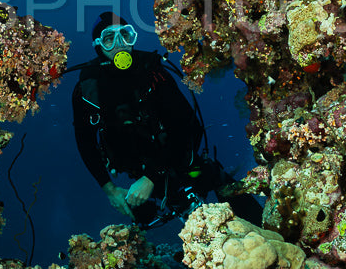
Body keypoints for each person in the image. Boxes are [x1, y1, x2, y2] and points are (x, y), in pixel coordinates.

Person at [72, 13, 263, 227]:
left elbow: (188, 126)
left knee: (214, 178)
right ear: (98, 45)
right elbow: (85, 142)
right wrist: (110, 189)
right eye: (109, 38)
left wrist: (151, 177)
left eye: (125, 36)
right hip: (138, 173)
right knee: (151, 217)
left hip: (176, 159)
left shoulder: (152, 72)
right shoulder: (87, 90)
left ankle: (266, 230)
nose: (120, 45)